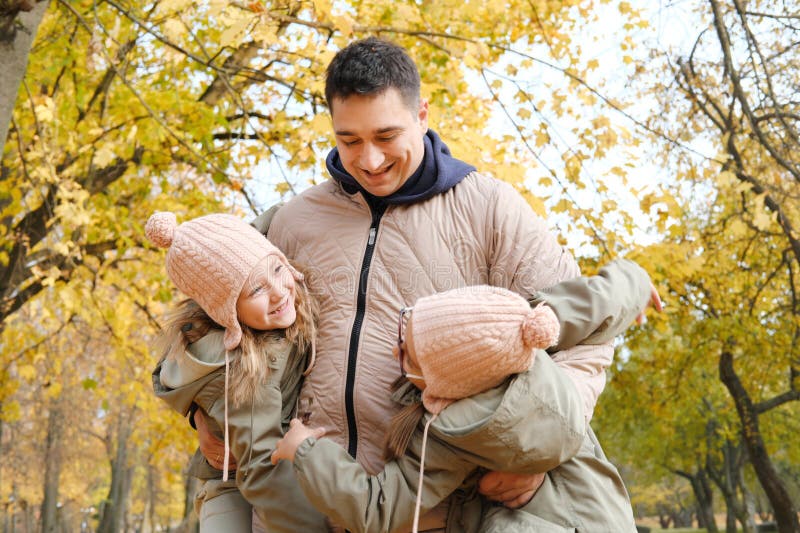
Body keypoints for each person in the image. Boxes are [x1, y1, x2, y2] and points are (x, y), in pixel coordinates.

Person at [194, 36, 655, 530]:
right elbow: (216, 309)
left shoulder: (489, 208)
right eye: (349, 140)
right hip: (301, 506)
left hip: (435, 510)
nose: (369, 160)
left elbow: (582, 340)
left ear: (423, 115)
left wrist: (531, 447)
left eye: (386, 136)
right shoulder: (294, 219)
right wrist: (205, 415)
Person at [270, 260, 653, 533]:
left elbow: (378, 509)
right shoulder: (526, 333)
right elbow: (598, 300)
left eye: (407, 354)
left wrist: (306, 450)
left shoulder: (450, 434)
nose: (394, 354)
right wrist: (637, 282)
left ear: (448, 383)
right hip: (602, 516)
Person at [145, 212, 328, 532]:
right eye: (256, 290)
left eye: (277, 268)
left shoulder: (277, 315)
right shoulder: (247, 370)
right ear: (226, 311)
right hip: (230, 487)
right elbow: (263, 470)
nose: (278, 292)